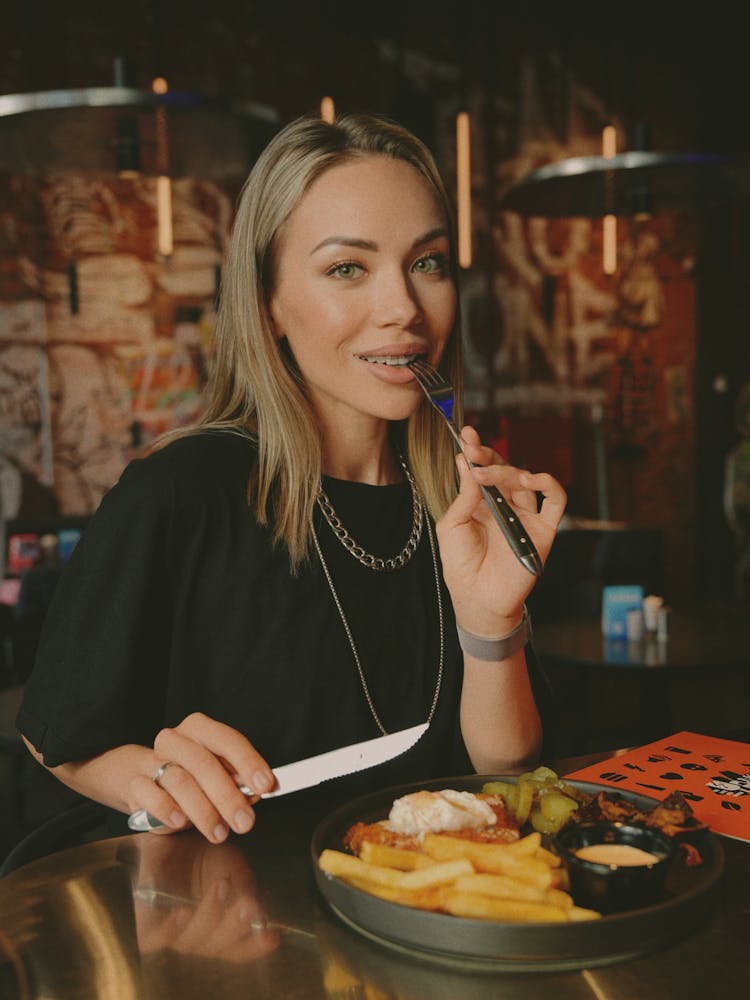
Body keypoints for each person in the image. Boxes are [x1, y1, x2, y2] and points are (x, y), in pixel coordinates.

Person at [16, 112, 566, 845]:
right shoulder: (179, 492)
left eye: (428, 262)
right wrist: (157, 778)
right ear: (269, 303)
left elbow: (503, 767)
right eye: (348, 268)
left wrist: (491, 624)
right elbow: (56, 733)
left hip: (420, 924)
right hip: (235, 935)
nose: (404, 307)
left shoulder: (460, 505)